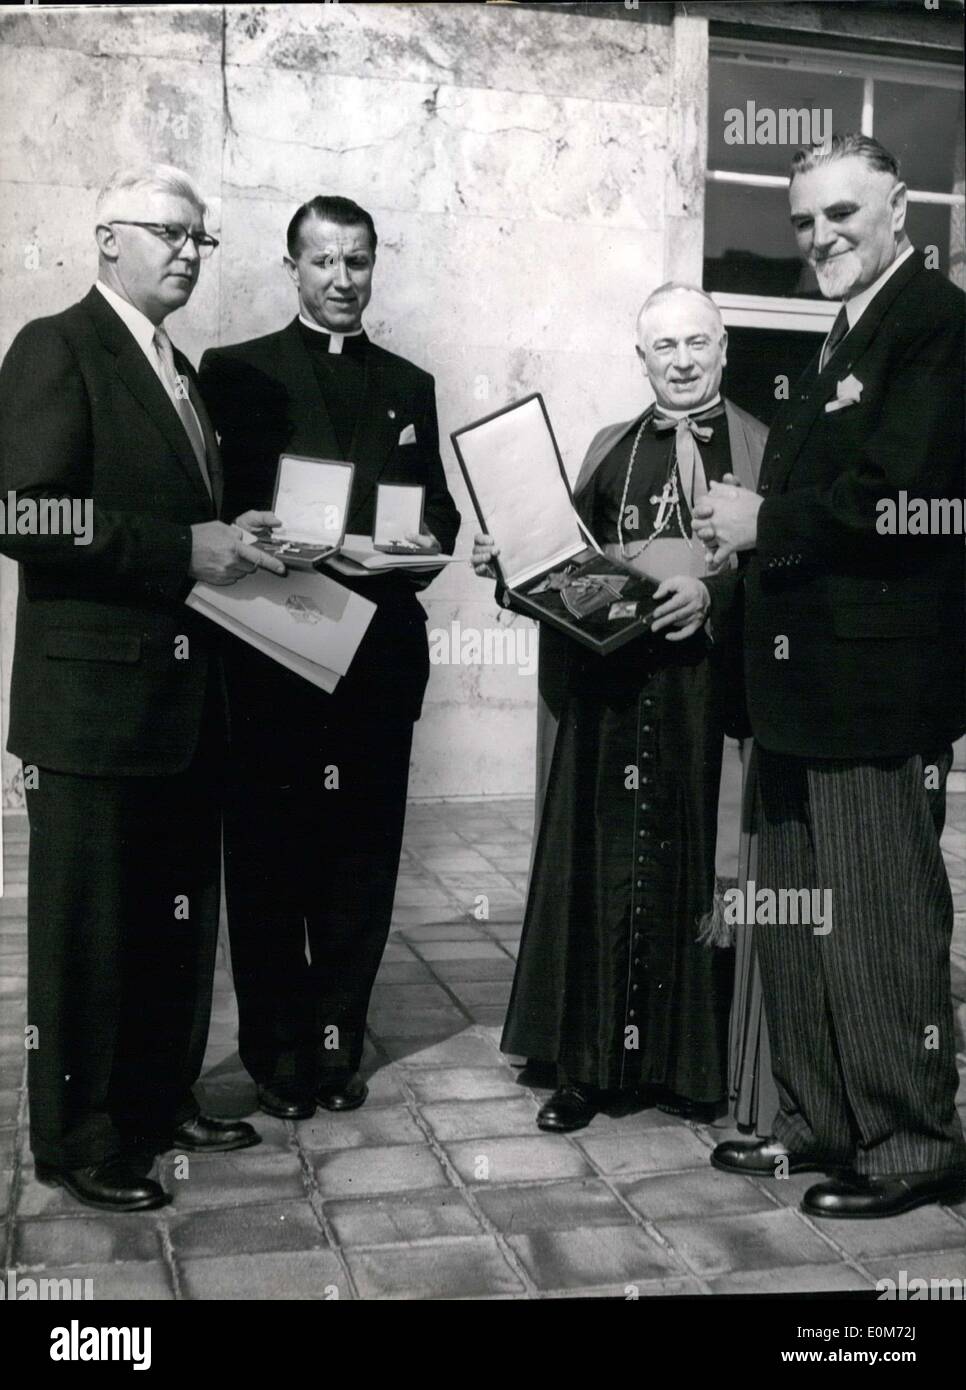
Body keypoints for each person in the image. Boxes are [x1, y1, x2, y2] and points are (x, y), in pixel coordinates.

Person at [694, 134, 966, 1219]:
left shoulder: (938, 325)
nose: (821, 239)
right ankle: (821, 1125)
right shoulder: (850, 329)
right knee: (800, 913)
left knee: (881, 923)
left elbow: (904, 496)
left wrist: (768, 521)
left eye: (843, 215)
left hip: (873, 691)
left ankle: (910, 1143)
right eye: (805, 222)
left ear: (899, 208)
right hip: (799, 685)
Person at [0, 164, 278, 1212]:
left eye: (202, 239)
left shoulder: (178, 369)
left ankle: (159, 1102)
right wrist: (180, 549)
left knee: (170, 921)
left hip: (181, 702)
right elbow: (20, 514)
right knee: (89, 933)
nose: (187, 253)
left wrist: (231, 538)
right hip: (93, 709)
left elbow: (181, 518)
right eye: (168, 232)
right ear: (107, 239)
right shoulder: (55, 346)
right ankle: (78, 1139)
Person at [473, 284, 767, 1132]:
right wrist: (510, 557)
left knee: (685, 866)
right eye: (663, 347)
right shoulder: (609, 447)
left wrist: (713, 596)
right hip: (606, 687)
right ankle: (586, 1066)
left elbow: (783, 570)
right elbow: (564, 559)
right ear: (641, 358)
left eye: (696, 344)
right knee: (594, 867)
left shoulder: (763, 445)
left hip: (698, 691)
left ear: (723, 350)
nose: (681, 361)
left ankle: (683, 1066)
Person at [199, 195, 461, 1120]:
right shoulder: (233, 373)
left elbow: (439, 512)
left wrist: (420, 541)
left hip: (376, 665)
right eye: (323, 263)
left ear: (374, 265)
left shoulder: (409, 383)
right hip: (271, 657)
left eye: (357, 262)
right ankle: (274, 1058)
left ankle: (335, 1048)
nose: (342, 280)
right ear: (292, 268)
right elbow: (218, 508)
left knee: (360, 863)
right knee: (269, 862)